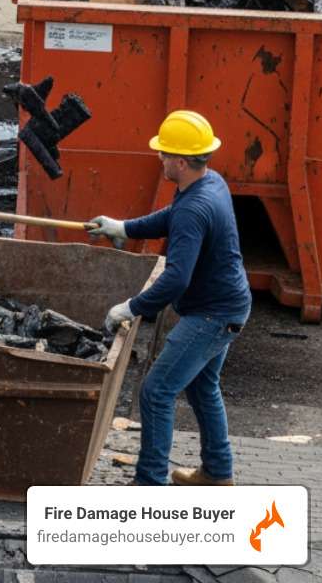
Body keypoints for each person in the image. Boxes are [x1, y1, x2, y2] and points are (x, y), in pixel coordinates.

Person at [89, 110, 251, 486]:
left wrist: (131, 307)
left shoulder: (194, 208)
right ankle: (217, 474)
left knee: (156, 392)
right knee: (202, 387)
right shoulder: (210, 183)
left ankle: (150, 484)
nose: (159, 157)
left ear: (180, 161)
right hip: (229, 305)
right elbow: (172, 215)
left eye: (164, 153)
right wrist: (124, 227)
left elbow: (177, 278)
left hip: (212, 316)